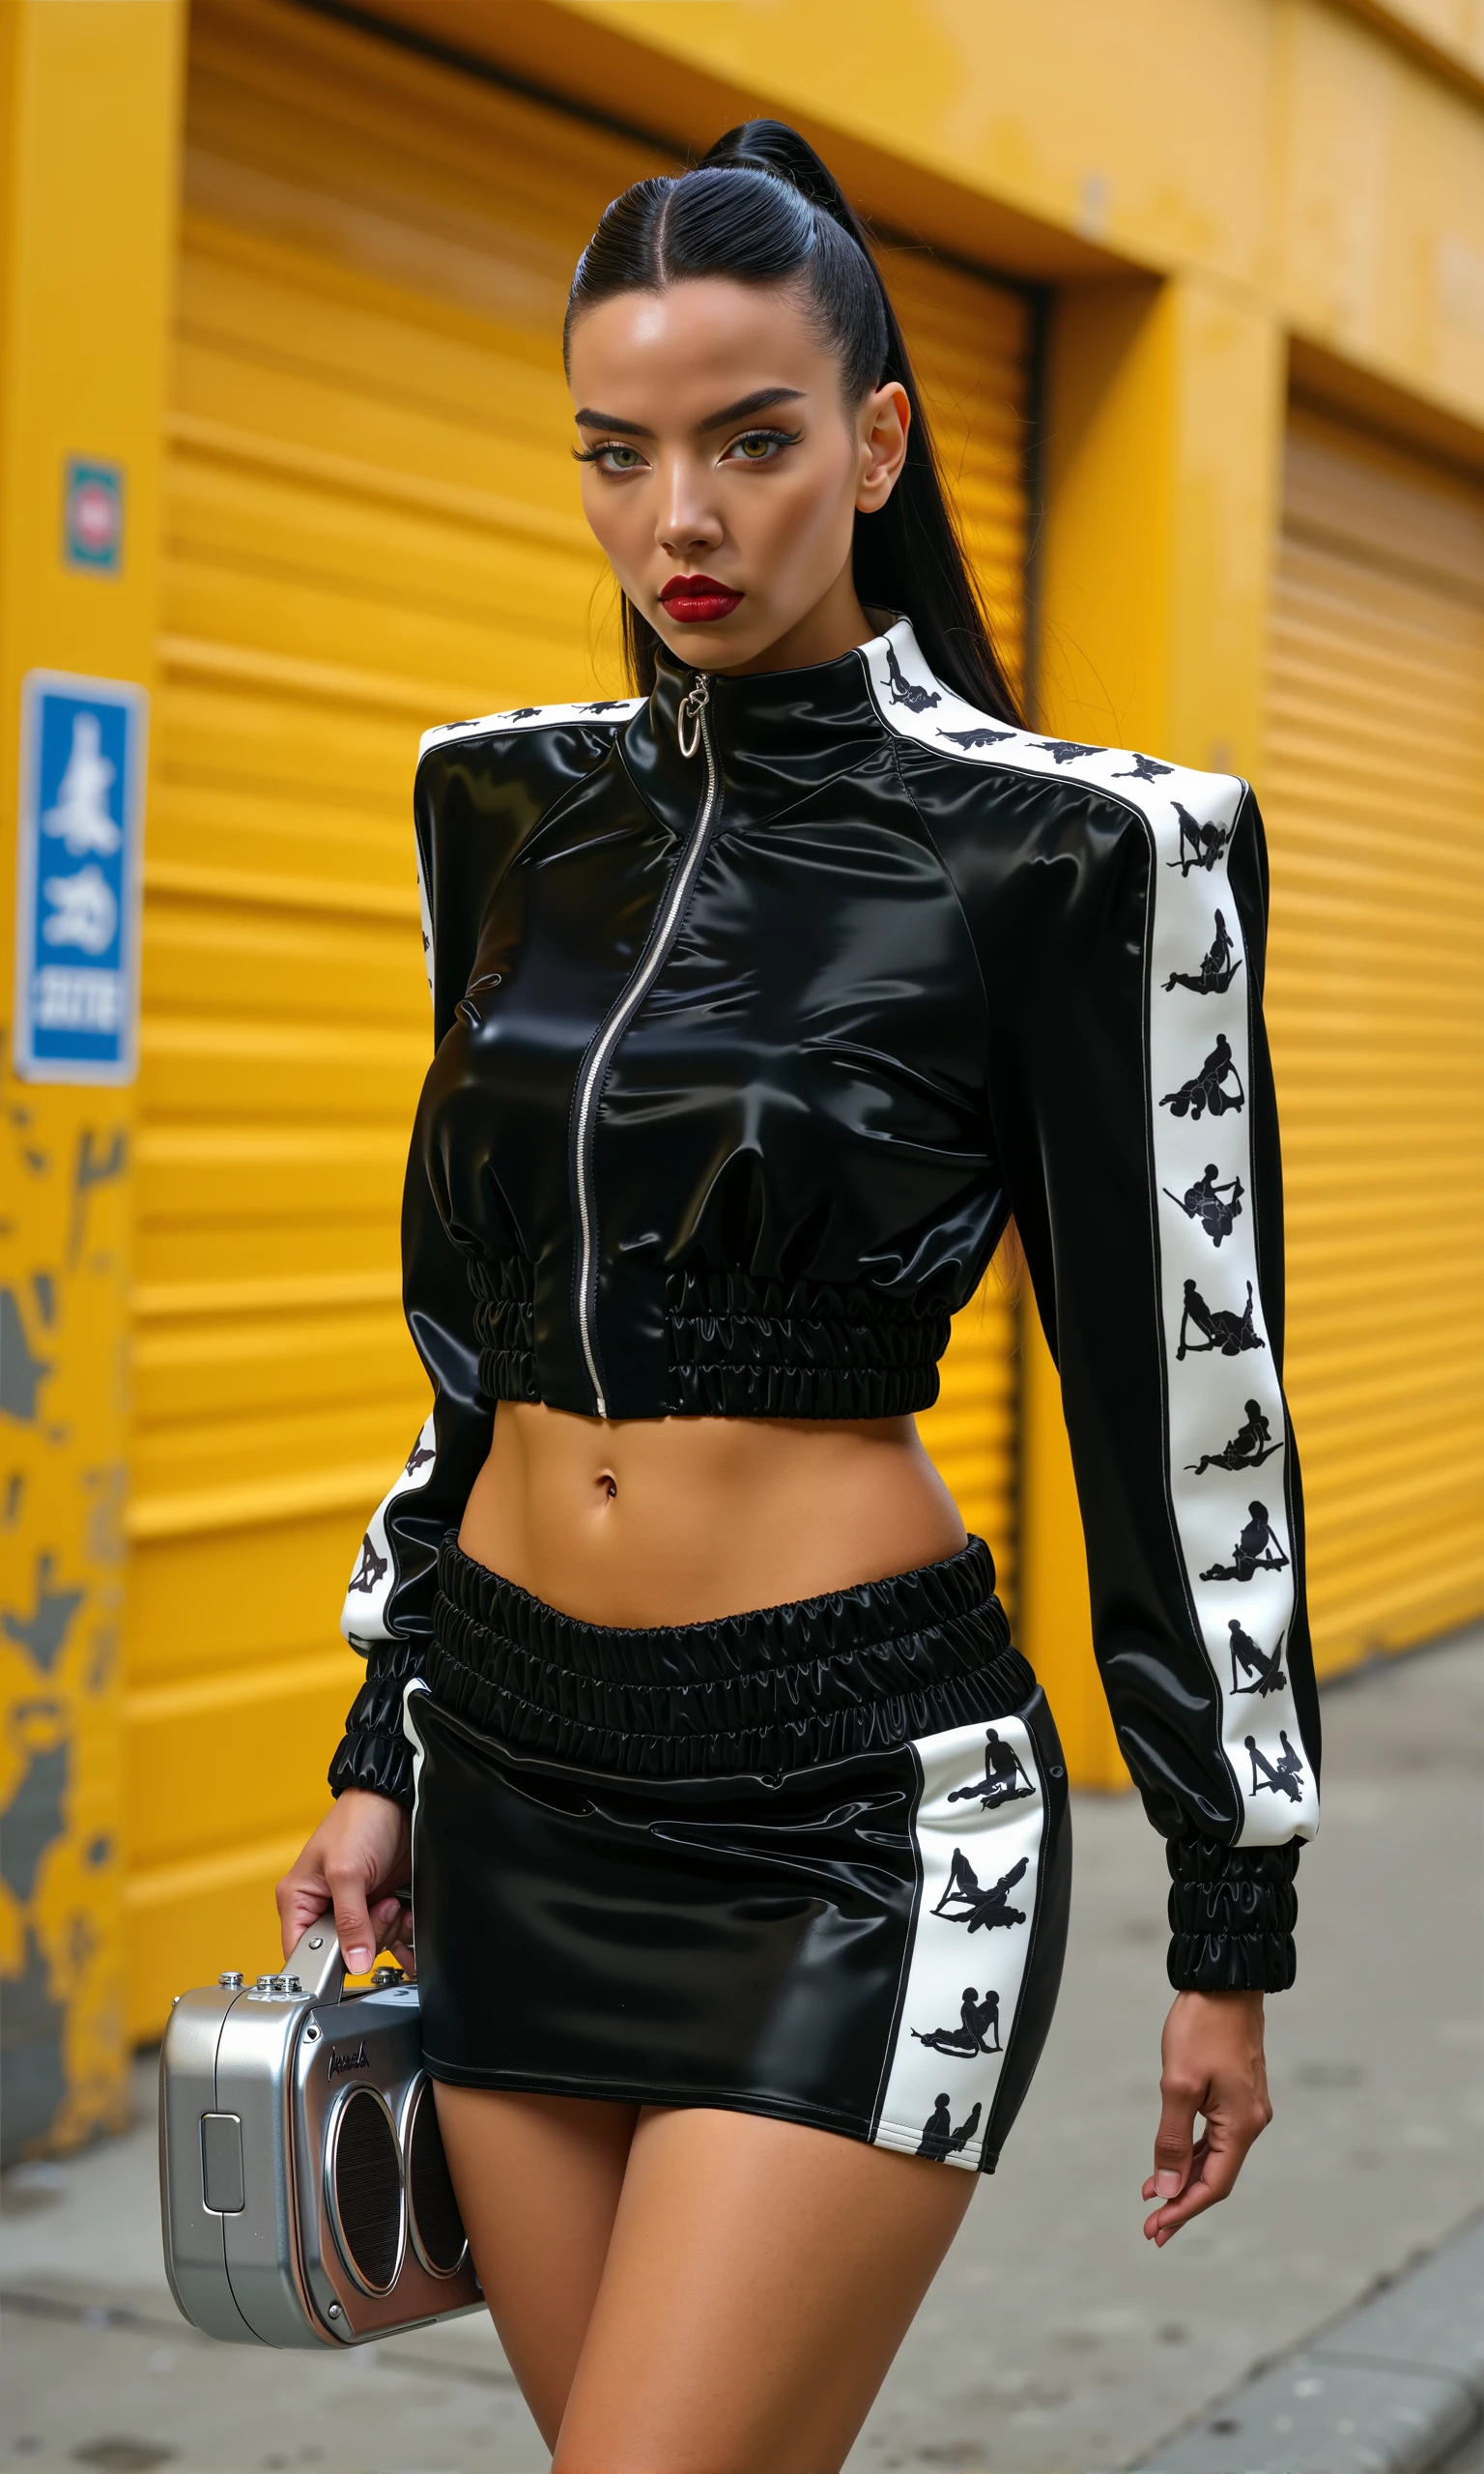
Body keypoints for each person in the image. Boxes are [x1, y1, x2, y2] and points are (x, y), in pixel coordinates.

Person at [277, 122, 1320, 2474]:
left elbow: (1185, 1386)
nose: (683, 518)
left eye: (751, 441)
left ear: (874, 438)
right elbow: (473, 1334)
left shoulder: (1080, 851)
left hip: (858, 1809)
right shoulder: (501, 811)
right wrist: (383, 1733)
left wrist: (1225, 1902)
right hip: (515, 1780)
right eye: (618, 451)